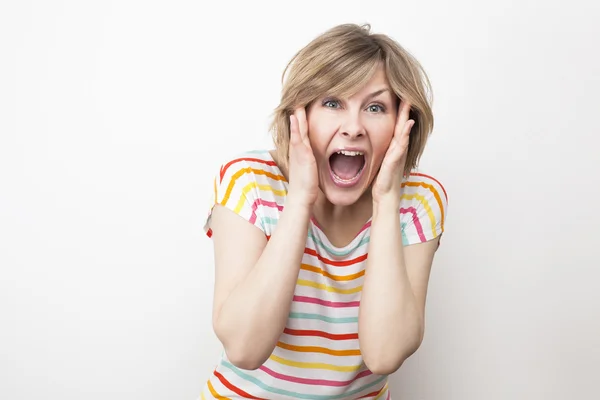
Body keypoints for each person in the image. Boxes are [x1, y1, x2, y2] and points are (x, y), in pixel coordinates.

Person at [199, 23, 448, 400]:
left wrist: (386, 201)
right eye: (332, 103)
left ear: (402, 124)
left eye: (376, 107)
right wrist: (299, 198)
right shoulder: (248, 182)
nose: (353, 128)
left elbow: (384, 354)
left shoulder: (417, 201)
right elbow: (244, 349)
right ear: (301, 114)